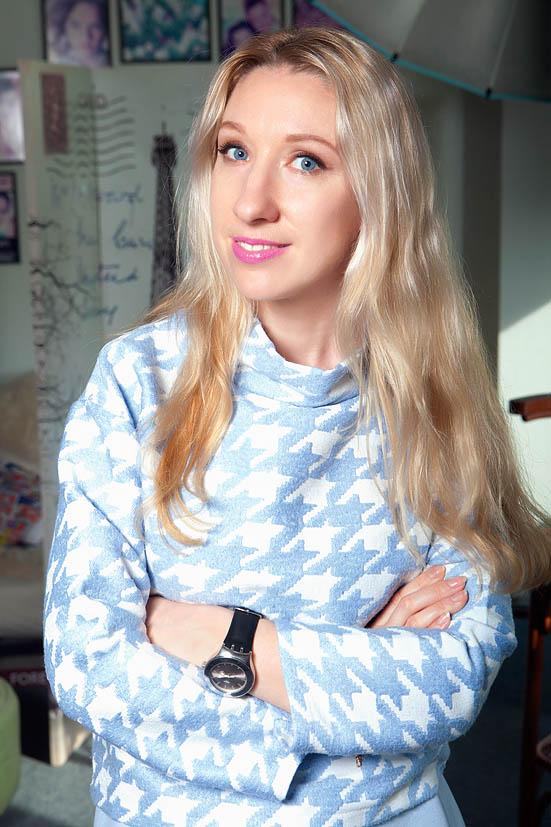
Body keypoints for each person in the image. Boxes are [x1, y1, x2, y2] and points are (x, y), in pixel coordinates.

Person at [43, 25, 551, 827]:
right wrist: (352, 666)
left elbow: (449, 683)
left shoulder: (434, 399)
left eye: (305, 161)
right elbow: (88, 665)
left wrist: (223, 636)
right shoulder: (137, 380)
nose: (250, 201)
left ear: (377, 194)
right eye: (234, 151)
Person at [47, 0, 109, 68]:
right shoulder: (57, 64)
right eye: (76, 26)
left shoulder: (109, 61)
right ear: (63, 26)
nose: (85, 37)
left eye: (95, 26)